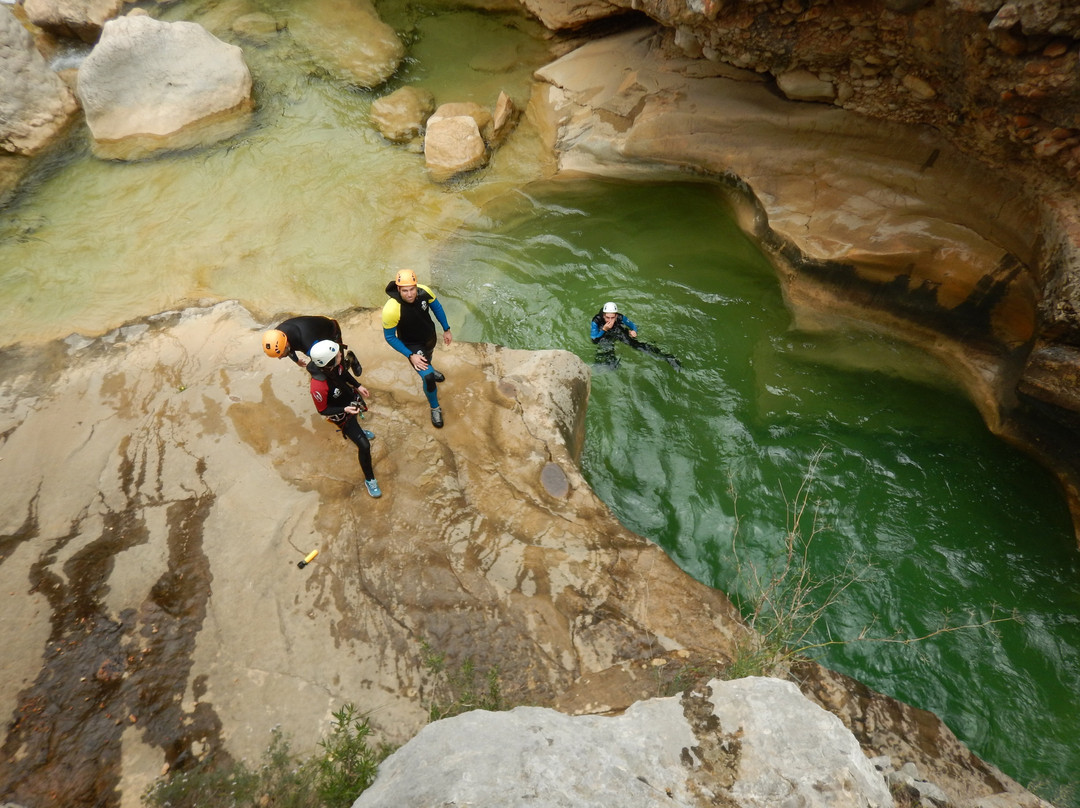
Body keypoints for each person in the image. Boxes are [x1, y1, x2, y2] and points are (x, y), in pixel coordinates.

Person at [308, 339, 382, 498]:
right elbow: (323, 410)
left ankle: (359, 430)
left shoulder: (334, 366)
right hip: (341, 413)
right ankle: (370, 479)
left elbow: (345, 373)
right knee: (364, 445)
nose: (340, 354)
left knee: (357, 423)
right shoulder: (318, 386)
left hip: (348, 401)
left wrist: (358, 385)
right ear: (328, 363)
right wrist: (344, 409)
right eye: (336, 354)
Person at [382, 269, 452, 428]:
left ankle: (431, 367)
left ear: (416, 285)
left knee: (429, 357)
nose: (409, 294)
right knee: (427, 377)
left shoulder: (424, 291)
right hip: (412, 345)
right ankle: (435, 407)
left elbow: (437, 308)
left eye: (412, 289)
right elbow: (390, 337)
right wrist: (410, 355)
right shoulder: (391, 308)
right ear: (398, 289)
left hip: (429, 337)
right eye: (404, 290)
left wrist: (446, 329)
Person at [590, 301, 681, 370]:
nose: (610, 320)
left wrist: (634, 331)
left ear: (616, 316)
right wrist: (604, 329)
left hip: (617, 330)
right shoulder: (596, 321)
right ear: (603, 316)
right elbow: (594, 340)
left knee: (636, 345)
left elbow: (633, 325)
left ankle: (666, 357)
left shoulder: (620, 317)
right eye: (607, 317)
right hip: (603, 333)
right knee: (608, 356)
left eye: (612, 317)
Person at [262, 315, 362, 376]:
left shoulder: (307, 344)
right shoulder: (277, 335)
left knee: (337, 368)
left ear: (286, 343)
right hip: (315, 328)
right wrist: (296, 361)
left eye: (281, 354)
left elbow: (325, 362)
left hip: (331, 329)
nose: (280, 357)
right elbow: (288, 349)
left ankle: (350, 358)